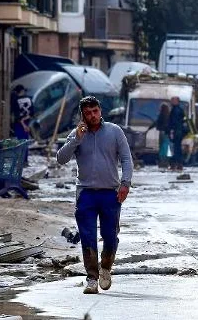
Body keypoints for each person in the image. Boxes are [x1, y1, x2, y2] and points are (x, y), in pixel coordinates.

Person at [56, 96, 133, 294]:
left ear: (100, 111)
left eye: (95, 111)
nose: (92, 116)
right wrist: (76, 139)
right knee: (88, 236)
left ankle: (106, 267)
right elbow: (61, 159)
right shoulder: (77, 135)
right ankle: (91, 278)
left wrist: (126, 183)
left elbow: (126, 158)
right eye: (88, 113)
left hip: (110, 193)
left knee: (109, 235)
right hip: (86, 194)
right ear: (82, 115)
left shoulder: (115, 132)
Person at [167, 96, 188, 172]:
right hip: (178, 132)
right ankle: (178, 164)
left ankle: (176, 164)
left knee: (175, 149)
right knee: (176, 149)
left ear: (177, 101)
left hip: (176, 133)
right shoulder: (179, 109)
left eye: (173, 100)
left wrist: (171, 131)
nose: (171, 101)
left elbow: (174, 122)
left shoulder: (176, 110)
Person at [148, 103, 170, 168]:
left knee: (162, 147)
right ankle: (166, 161)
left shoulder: (162, 115)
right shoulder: (168, 115)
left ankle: (162, 162)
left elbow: (157, 122)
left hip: (162, 132)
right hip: (167, 133)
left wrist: (149, 128)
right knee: (165, 147)